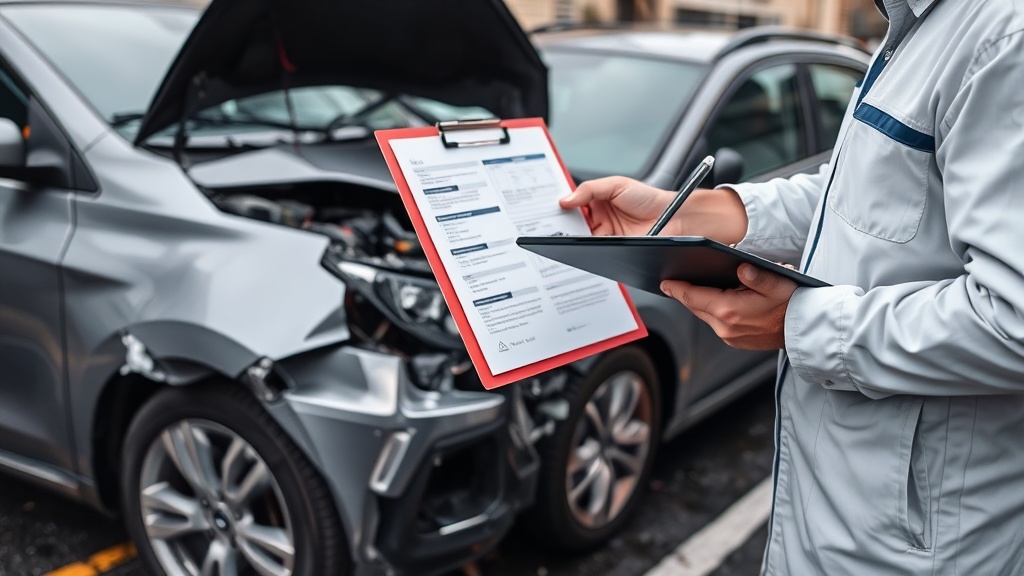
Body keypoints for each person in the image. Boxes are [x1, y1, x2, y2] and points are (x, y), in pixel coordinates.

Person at [560, 0, 1024, 574]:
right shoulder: (916, 28)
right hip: (837, 513)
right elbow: (861, 194)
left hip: (921, 544)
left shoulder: (1005, 36)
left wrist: (799, 325)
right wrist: (691, 214)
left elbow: (1014, 318)